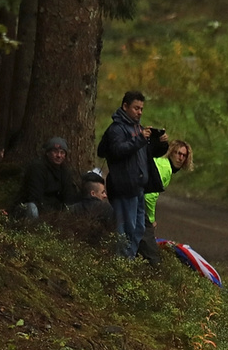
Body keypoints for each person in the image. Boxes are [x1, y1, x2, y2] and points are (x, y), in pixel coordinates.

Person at [97, 90, 167, 258]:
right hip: (124, 187)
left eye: (141, 108)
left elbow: (147, 153)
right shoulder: (117, 129)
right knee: (125, 229)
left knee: (138, 228)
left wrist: (162, 144)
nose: (139, 112)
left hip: (138, 188)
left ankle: (129, 259)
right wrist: (140, 139)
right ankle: (122, 261)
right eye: (136, 108)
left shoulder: (138, 128)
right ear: (125, 106)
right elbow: (117, 150)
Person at [17, 136, 80, 218]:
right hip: (35, 207)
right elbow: (34, 197)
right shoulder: (37, 168)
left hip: (55, 210)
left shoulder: (65, 172)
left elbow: (68, 196)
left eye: (62, 152)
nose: (59, 155)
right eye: (55, 152)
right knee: (32, 208)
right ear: (47, 153)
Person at [143, 138, 192, 239]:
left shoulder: (162, 162)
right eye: (178, 153)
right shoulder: (165, 167)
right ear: (171, 152)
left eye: (184, 155)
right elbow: (150, 195)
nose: (181, 158)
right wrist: (151, 220)